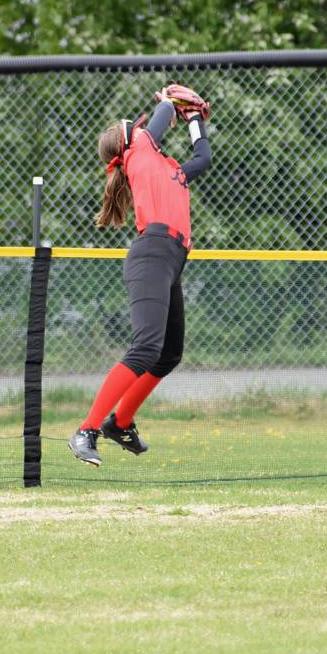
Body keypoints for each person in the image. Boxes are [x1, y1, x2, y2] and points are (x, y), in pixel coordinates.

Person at [68, 85, 212, 467]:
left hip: (169, 259)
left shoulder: (168, 170)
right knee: (146, 348)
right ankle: (87, 429)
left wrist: (195, 119)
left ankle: (121, 422)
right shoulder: (137, 152)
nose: (148, 131)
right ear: (130, 141)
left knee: (169, 354)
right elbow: (160, 119)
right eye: (141, 130)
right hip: (151, 255)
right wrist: (170, 99)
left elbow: (204, 157)